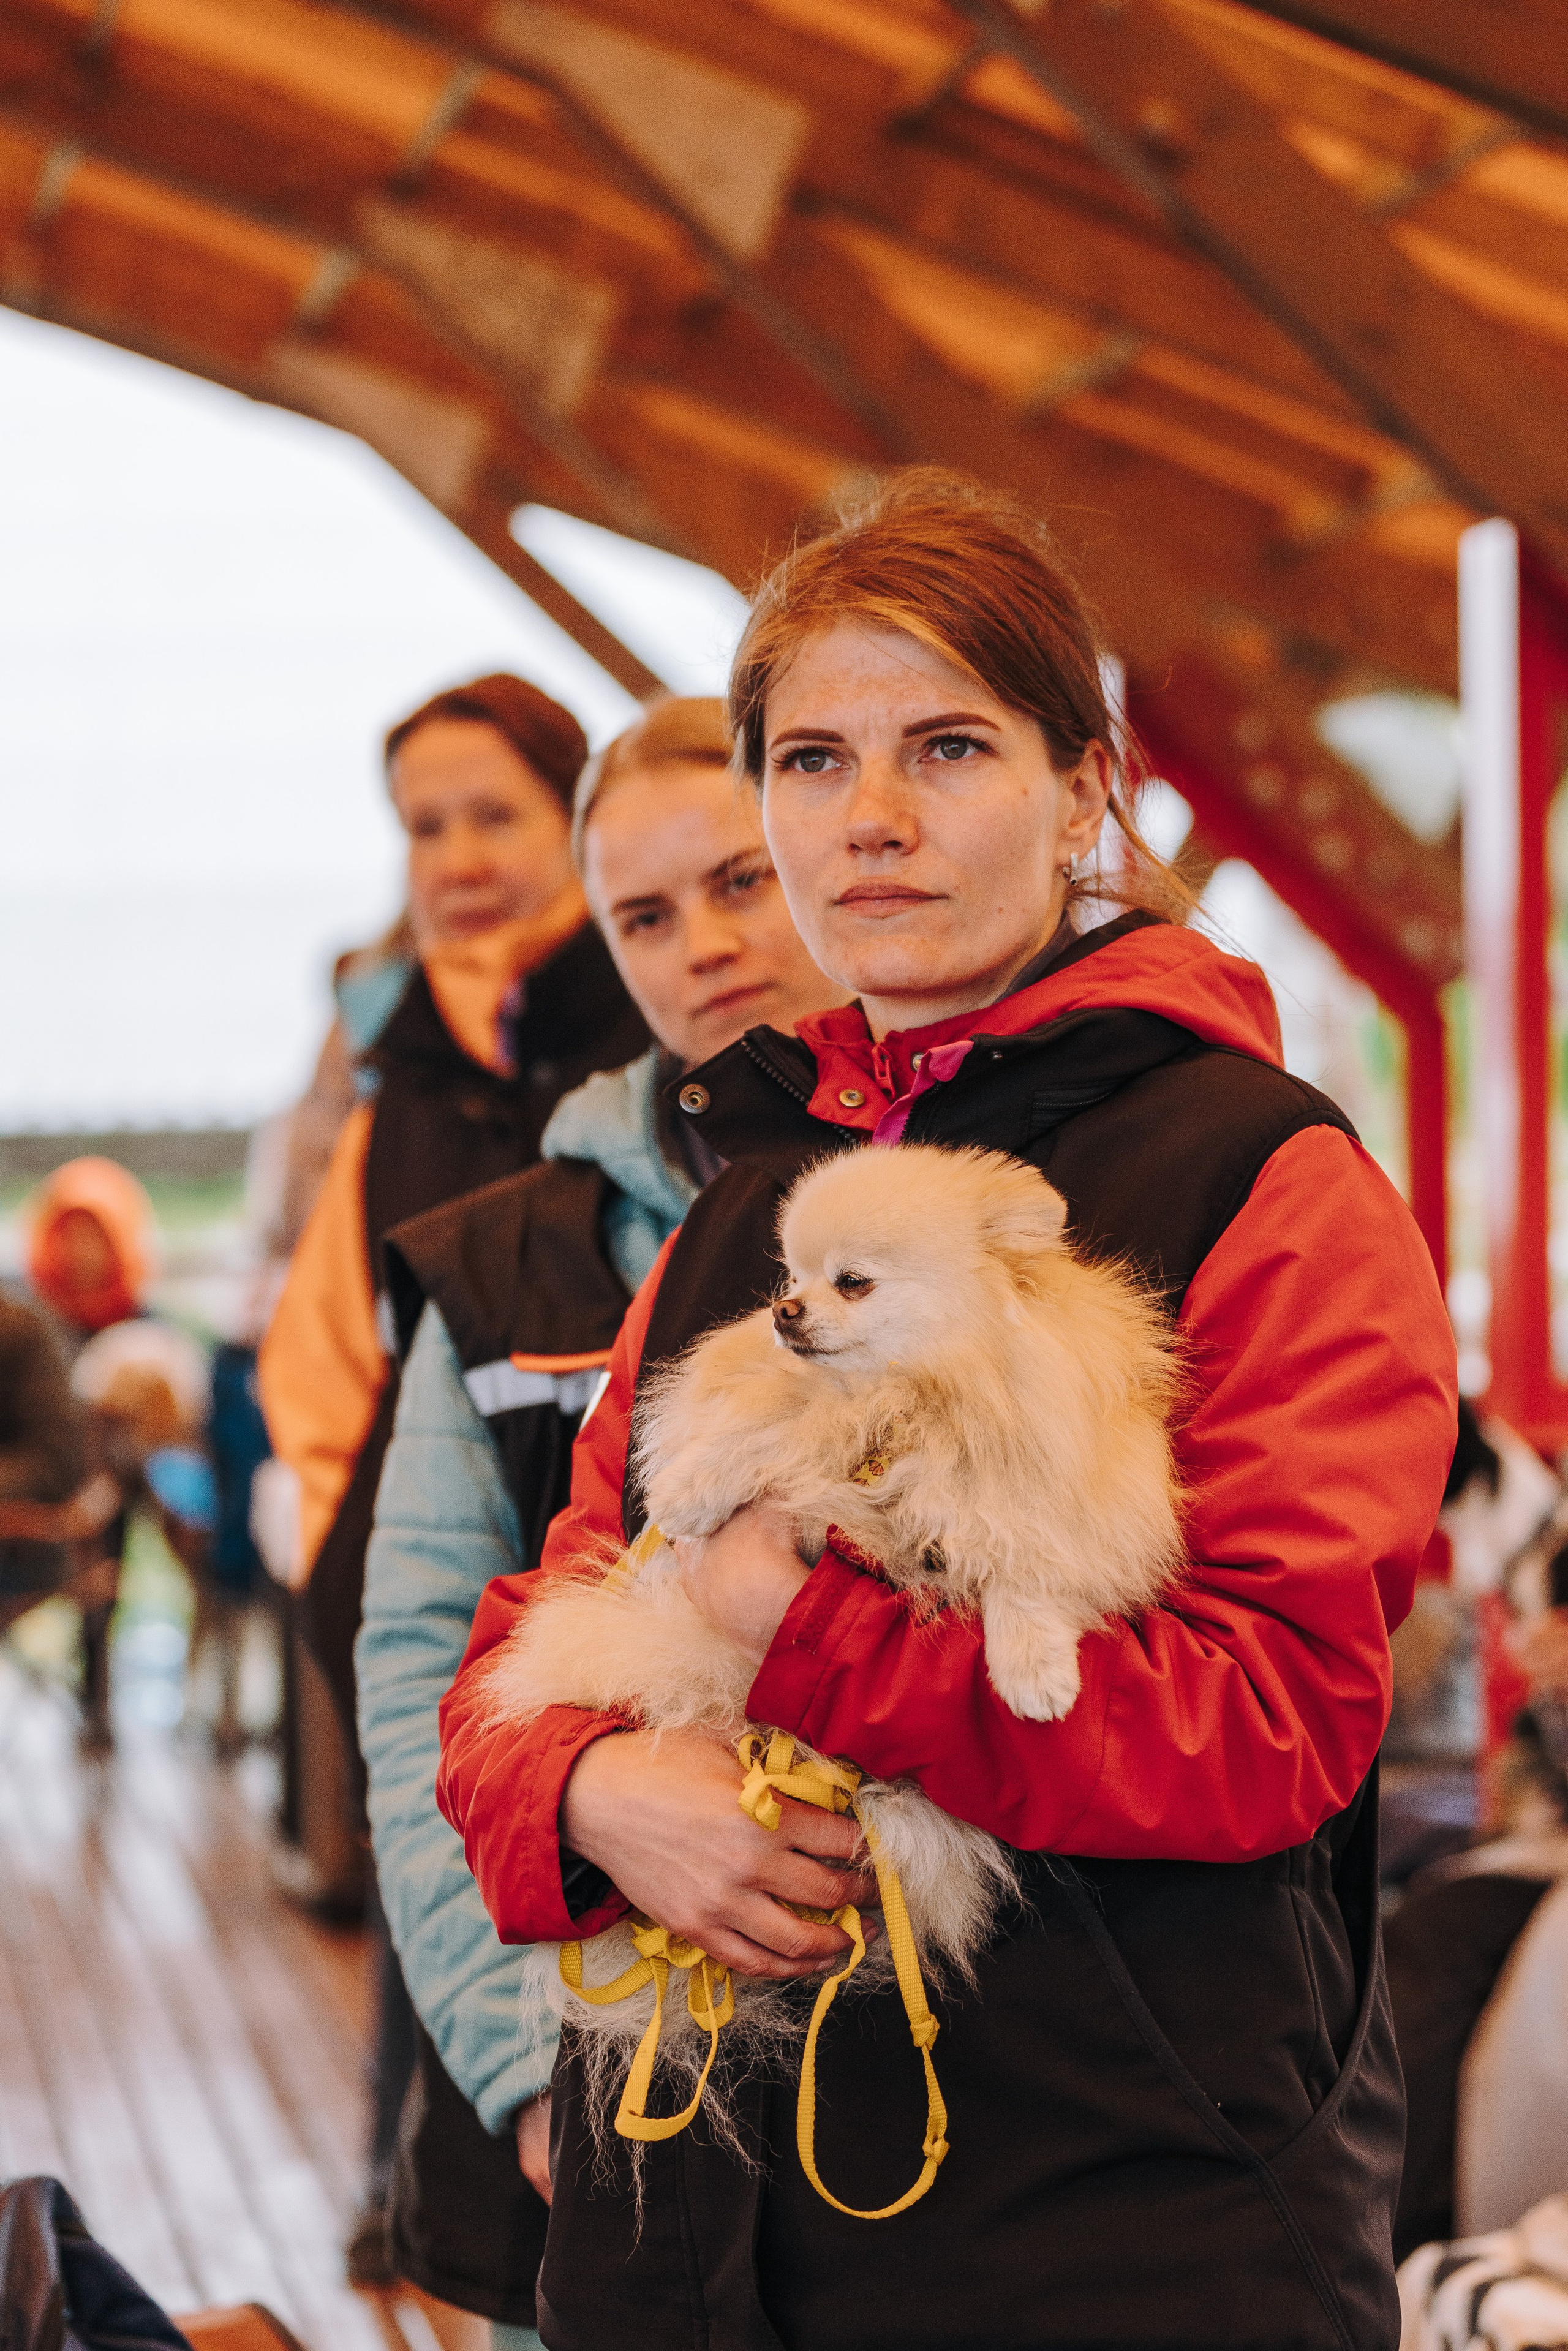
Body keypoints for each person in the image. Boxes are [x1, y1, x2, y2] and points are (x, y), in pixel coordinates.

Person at [437, 470, 1457, 2351]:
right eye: (812, 760)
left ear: (1087, 788)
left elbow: (1272, 1724)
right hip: (692, 2248)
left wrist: (801, 1634)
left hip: (1103, 2237)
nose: (874, 822)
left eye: (950, 747)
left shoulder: (1263, 1182)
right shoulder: (751, 1201)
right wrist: (589, 1792)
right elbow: (536, 1621)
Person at [355, 696, 845, 2344]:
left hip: (929, 2078)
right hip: (592, 2067)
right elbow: (422, 1665)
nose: (705, 946)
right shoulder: (504, 1264)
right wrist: (517, 2068)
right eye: (646, 913)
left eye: (741, 881)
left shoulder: (972, 1212)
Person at [258, 671, 646, 2284]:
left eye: (494, 813)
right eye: (425, 825)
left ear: (573, 817)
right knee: (427, 1910)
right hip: (419, 1568)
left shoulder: (654, 1045)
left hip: (611, 1588)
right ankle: (420, 2192)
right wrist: (357, 1556)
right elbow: (325, 1323)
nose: (459, 855)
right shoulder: (400, 1071)